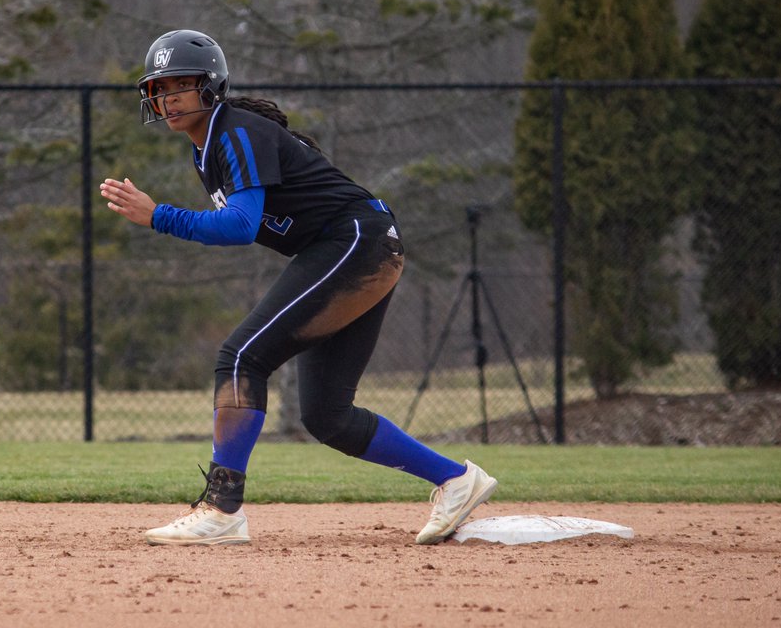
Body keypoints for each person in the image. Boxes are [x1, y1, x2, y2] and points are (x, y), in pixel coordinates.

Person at [99, 29, 497, 546]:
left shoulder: (232, 130)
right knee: (327, 417)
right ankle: (456, 479)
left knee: (240, 358)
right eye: (160, 87)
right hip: (354, 246)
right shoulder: (209, 147)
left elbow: (241, 227)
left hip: (354, 242)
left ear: (211, 85)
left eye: (181, 84)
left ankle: (222, 510)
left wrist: (160, 217)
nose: (168, 97)